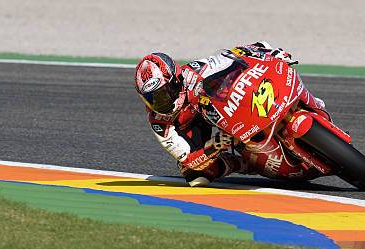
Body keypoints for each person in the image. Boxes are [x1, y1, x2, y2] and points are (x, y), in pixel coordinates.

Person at [134, 42, 326, 186]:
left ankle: (312, 103)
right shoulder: (159, 122)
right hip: (201, 131)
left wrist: (269, 52)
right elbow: (186, 157)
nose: (159, 103)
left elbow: (234, 55)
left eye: (163, 94)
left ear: (176, 80)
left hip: (223, 108)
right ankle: (243, 164)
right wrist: (215, 145)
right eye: (151, 98)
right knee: (194, 175)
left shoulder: (194, 72)